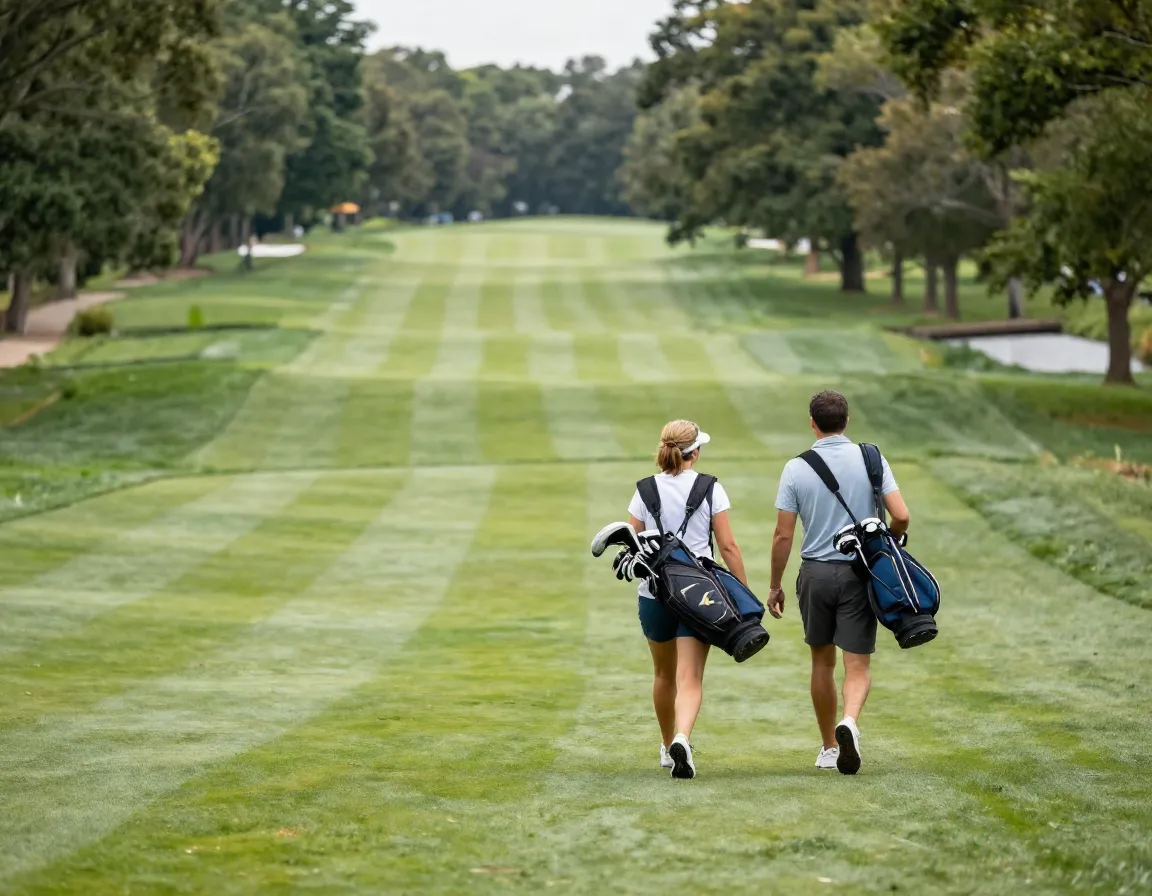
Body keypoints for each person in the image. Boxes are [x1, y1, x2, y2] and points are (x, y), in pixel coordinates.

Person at [768, 391, 910, 775]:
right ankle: (849, 720)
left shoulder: (796, 468)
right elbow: (901, 515)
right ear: (846, 421)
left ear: (812, 423)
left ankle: (830, 746)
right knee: (857, 665)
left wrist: (775, 585)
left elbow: (783, 536)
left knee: (821, 660)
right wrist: (888, 543)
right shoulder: (871, 459)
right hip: (859, 572)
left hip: (814, 572)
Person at [627, 419, 750, 780]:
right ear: (694, 452)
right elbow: (727, 546)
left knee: (663, 675)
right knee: (690, 677)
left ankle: (668, 746)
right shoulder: (711, 488)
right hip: (700, 596)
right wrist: (740, 592)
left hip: (654, 594)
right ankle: (683, 737)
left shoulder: (644, 490)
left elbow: (632, 544)